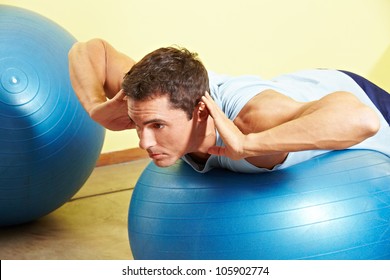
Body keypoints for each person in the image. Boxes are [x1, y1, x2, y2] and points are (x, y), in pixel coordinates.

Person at [68, 38, 390, 173]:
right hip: (300, 82)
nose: (143, 142)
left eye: (156, 126)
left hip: (363, 96)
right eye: (140, 125)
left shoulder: (253, 121)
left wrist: (248, 143)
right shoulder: (162, 93)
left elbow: (362, 119)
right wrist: (96, 108)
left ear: (200, 111)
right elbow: (90, 50)